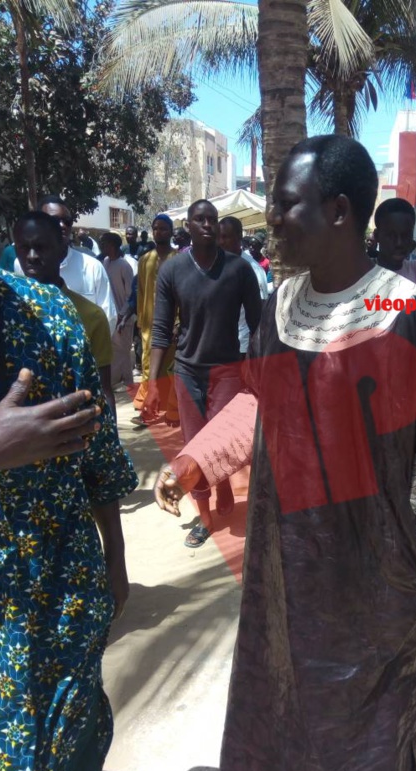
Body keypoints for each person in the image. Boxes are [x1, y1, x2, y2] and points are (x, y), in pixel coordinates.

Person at [154, 135, 416, 771]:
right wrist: (197, 460)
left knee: (361, 739)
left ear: (338, 211)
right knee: (285, 710)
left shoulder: (409, 314)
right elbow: (262, 402)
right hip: (283, 572)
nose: (272, 220)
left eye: (285, 205)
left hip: (372, 587)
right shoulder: (281, 304)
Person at [0, 121, 137, 771]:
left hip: (55, 584)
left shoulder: (49, 318)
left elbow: (98, 457)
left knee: (68, 754)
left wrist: (116, 560)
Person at [146, 199, 262, 548]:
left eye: (212, 219)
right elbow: (162, 330)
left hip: (227, 369)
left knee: (221, 439)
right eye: (200, 220)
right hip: (186, 371)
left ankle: (223, 483)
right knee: (194, 445)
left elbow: (258, 325)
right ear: (189, 227)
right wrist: (153, 382)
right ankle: (206, 517)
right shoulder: (172, 270)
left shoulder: (239, 270)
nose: (208, 225)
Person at [14, 210, 117, 417]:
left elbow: (103, 389)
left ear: (61, 252)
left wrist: (111, 439)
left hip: (71, 435)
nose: (32, 257)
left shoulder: (90, 315)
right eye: (24, 248)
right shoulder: (4, 311)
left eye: (41, 248)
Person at [22, 195, 117, 331]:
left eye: (67, 221)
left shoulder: (92, 267)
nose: (62, 226)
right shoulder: (22, 266)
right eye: (54, 220)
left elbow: (109, 318)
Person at [131, 214, 180, 425]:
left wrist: (179, 322)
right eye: (156, 228)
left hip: (174, 324)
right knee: (149, 366)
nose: (159, 232)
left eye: (163, 228)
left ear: (170, 232)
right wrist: (141, 321)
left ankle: (173, 411)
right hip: (150, 325)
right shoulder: (145, 260)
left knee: (171, 368)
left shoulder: (179, 259)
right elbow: (141, 292)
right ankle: (148, 410)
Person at [219, 215, 269, 359]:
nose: (221, 242)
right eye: (219, 236)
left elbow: (260, 312)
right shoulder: (215, 264)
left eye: (225, 237)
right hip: (217, 345)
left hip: (242, 346)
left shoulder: (252, 269)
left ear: (239, 237)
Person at [100, 231, 135, 387]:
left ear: (112, 245)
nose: (101, 246)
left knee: (124, 351)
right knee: (114, 351)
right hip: (111, 316)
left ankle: (128, 383)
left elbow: (130, 295)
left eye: (104, 243)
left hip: (124, 317)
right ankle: (119, 382)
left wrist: (123, 315)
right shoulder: (105, 262)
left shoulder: (124, 266)